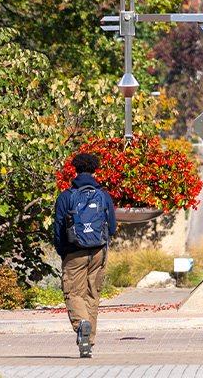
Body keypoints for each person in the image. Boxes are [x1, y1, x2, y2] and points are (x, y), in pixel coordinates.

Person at [54, 152, 116, 358]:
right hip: (98, 252)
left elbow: (58, 231)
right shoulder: (104, 196)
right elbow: (112, 227)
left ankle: (82, 325)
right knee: (92, 295)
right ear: (95, 169)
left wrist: (64, 253)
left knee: (73, 293)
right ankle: (88, 344)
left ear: (75, 169)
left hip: (74, 252)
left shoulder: (66, 196)